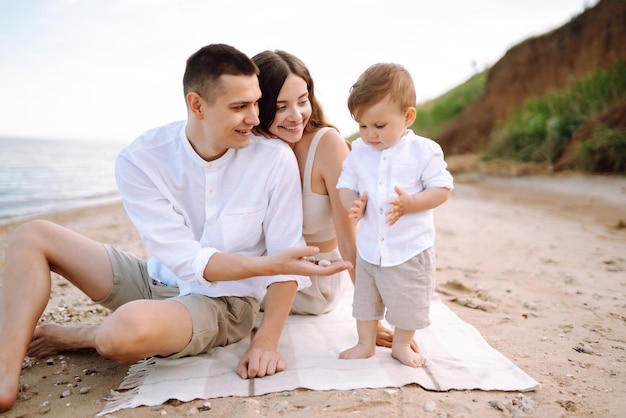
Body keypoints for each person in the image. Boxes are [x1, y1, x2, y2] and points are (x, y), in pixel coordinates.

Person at [0, 43, 351, 412]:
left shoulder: (273, 158)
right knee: (32, 234)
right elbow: (186, 260)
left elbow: (286, 258)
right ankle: (6, 370)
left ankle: (81, 336)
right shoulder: (142, 159)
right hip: (156, 278)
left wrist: (265, 342)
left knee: (122, 333)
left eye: (256, 104)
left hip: (224, 303)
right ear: (197, 105)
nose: (255, 118)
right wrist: (273, 265)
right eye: (239, 107)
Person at [251, 50, 415, 349]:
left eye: (302, 101)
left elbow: (350, 240)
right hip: (267, 267)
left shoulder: (327, 145)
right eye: (280, 106)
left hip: (315, 280)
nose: (296, 115)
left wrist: (370, 318)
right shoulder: (258, 145)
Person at [336, 63, 454, 367]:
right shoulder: (358, 152)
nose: (370, 135)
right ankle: (365, 342)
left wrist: (413, 202)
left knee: (408, 301)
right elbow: (345, 184)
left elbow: (442, 188)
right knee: (365, 301)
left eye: (379, 126)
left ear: (407, 117)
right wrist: (354, 204)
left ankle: (402, 344)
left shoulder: (423, 151)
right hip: (370, 250)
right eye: (363, 126)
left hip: (409, 249)